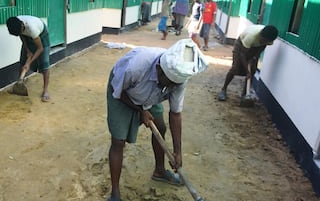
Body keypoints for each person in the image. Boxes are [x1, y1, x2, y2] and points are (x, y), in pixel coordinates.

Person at [106, 38, 208, 201]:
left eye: (175, 85)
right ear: (159, 69)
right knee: (118, 141)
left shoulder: (178, 80)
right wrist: (141, 111)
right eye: (170, 83)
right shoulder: (135, 67)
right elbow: (117, 90)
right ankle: (115, 194)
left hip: (149, 94)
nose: (173, 88)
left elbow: (175, 114)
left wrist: (178, 152)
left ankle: (159, 171)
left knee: (160, 128)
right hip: (124, 91)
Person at [218, 25, 279, 101]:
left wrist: (254, 57)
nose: (264, 42)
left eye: (266, 41)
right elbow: (242, 54)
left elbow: (262, 47)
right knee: (235, 68)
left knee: (252, 70)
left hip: (255, 48)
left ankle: (245, 95)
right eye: (263, 40)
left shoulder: (270, 40)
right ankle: (223, 89)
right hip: (241, 45)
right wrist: (247, 71)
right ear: (260, 35)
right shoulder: (251, 36)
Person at [6, 15, 51, 102]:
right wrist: (28, 50)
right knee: (23, 62)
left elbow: (40, 48)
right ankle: (19, 85)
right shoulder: (16, 25)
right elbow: (21, 35)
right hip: (27, 35)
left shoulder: (32, 28)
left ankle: (45, 91)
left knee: (45, 64)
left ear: (22, 26)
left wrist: (29, 63)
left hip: (41, 36)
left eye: (20, 31)